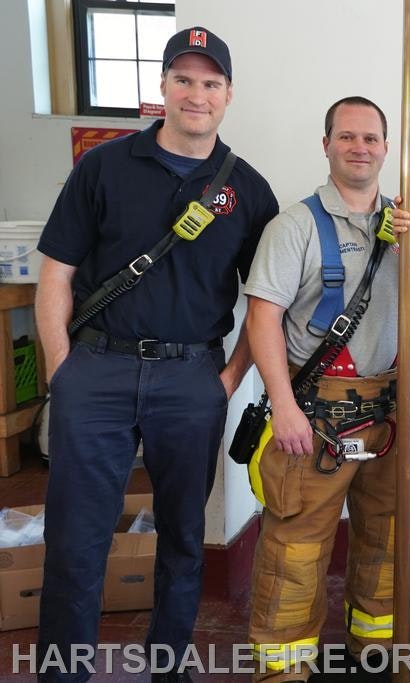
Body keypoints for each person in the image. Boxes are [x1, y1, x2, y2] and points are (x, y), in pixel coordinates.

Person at [34, 26, 278, 682]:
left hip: (190, 378)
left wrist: (225, 380)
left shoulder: (249, 192)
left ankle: (167, 669)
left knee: (183, 541)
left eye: (210, 83)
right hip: (96, 372)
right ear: (163, 86)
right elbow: (55, 273)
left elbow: (266, 304)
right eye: (184, 79)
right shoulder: (104, 167)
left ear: (228, 95)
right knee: (75, 547)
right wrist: (62, 371)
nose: (196, 94)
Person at [244, 96, 410, 682]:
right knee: (295, 551)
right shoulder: (294, 227)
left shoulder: (407, 224)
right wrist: (283, 407)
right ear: (326, 145)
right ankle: (284, 669)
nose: (360, 148)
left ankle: (378, 649)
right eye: (347, 137)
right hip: (314, 417)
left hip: (391, 412)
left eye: (370, 138)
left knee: (390, 544)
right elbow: (262, 318)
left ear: (387, 148)